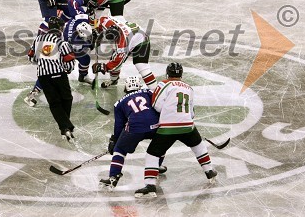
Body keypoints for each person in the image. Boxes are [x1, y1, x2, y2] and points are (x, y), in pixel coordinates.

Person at [134, 63, 217, 198]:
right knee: (198, 145)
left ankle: (150, 185)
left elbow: (156, 105)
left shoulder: (163, 84)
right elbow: (192, 113)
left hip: (168, 127)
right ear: (181, 74)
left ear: (168, 74)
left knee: (152, 154)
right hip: (187, 125)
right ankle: (209, 171)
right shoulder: (189, 88)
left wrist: (167, 112)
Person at [99, 76, 166, 191]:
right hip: (155, 125)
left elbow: (119, 125)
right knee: (160, 145)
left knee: (120, 150)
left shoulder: (119, 103)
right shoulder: (149, 92)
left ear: (126, 87)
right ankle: (156, 166)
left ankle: (113, 176)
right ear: (139, 85)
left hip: (135, 128)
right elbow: (160, 105)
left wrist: (115, 141)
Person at [24, 0, 95, 107]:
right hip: (59, 50)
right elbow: (70, 54)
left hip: (60, 45)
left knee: (85, 59)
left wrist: (86, 2)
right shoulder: (67, 39)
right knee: (49, 72)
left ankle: (83, 76)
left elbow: (73, 3)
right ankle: (32, 94)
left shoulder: (82, 17)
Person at [27, 16, 77, 141]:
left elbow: (31, 57)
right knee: (67, 99)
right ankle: (66, 127)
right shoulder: (62, 43)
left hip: (43, 77)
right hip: (59, 75)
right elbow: (69, 63)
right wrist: (67, 69)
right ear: (61, 28)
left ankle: (64, 128)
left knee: (54, 103)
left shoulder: (38, 40)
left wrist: (43, 62)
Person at [87, 16, 157, 90]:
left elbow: (117, 63)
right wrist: (95, 32)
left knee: (142, 67)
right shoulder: (105, 21)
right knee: (115, 56)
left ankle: (155, 91)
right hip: (132, 32)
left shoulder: (122, 44)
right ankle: (114, 80)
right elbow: (97, 22)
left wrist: (104, 67)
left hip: (141, 41)